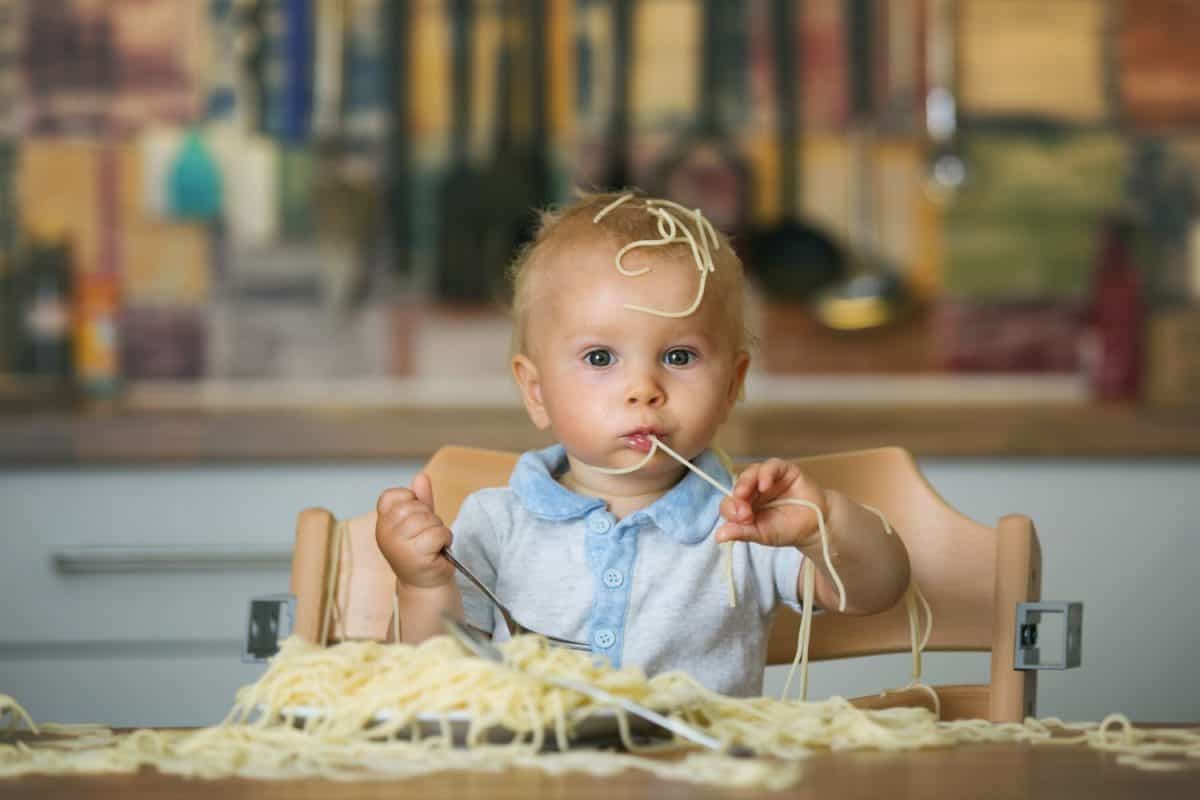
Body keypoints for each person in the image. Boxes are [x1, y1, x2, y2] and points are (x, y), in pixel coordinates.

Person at [376, 191, 910, 696]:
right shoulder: (496, 524)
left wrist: (824, 527)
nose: (644, 390)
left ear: (732, 386)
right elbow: (434, 675)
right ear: (536, 392)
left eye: (679, 357)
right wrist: (422, 586)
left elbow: (873, 590)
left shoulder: (746, 523)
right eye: (601, 358)